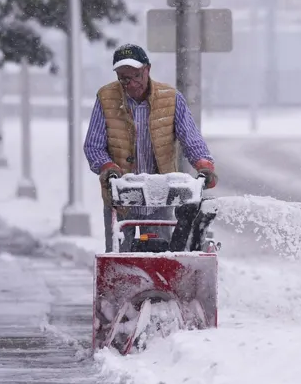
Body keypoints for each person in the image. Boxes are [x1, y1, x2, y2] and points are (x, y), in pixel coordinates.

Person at [83, 43, 217, 252]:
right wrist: (107, 167)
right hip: (121, 194)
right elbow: (93, 146)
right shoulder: (106, 98)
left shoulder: (170, 98)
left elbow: (191, 138)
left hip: (160, 194)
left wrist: (203, 164)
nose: (130, 83)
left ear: (147, 69)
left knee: (160, 254)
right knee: (119, 256)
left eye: (135, 75)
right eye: (123, 78)